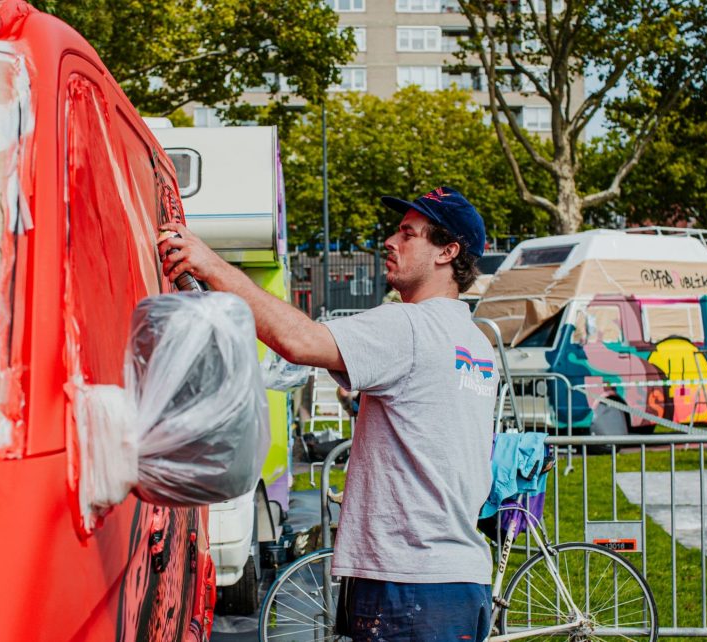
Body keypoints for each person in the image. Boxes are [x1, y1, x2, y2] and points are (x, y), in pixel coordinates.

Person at [159, 186, 496, 641]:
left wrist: (210, 265)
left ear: (447, 252)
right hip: (457, 578)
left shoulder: (409, 325)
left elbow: (300, 340)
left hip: (408, 582)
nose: (390, 243)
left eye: (408, 234)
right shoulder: (474, 341)